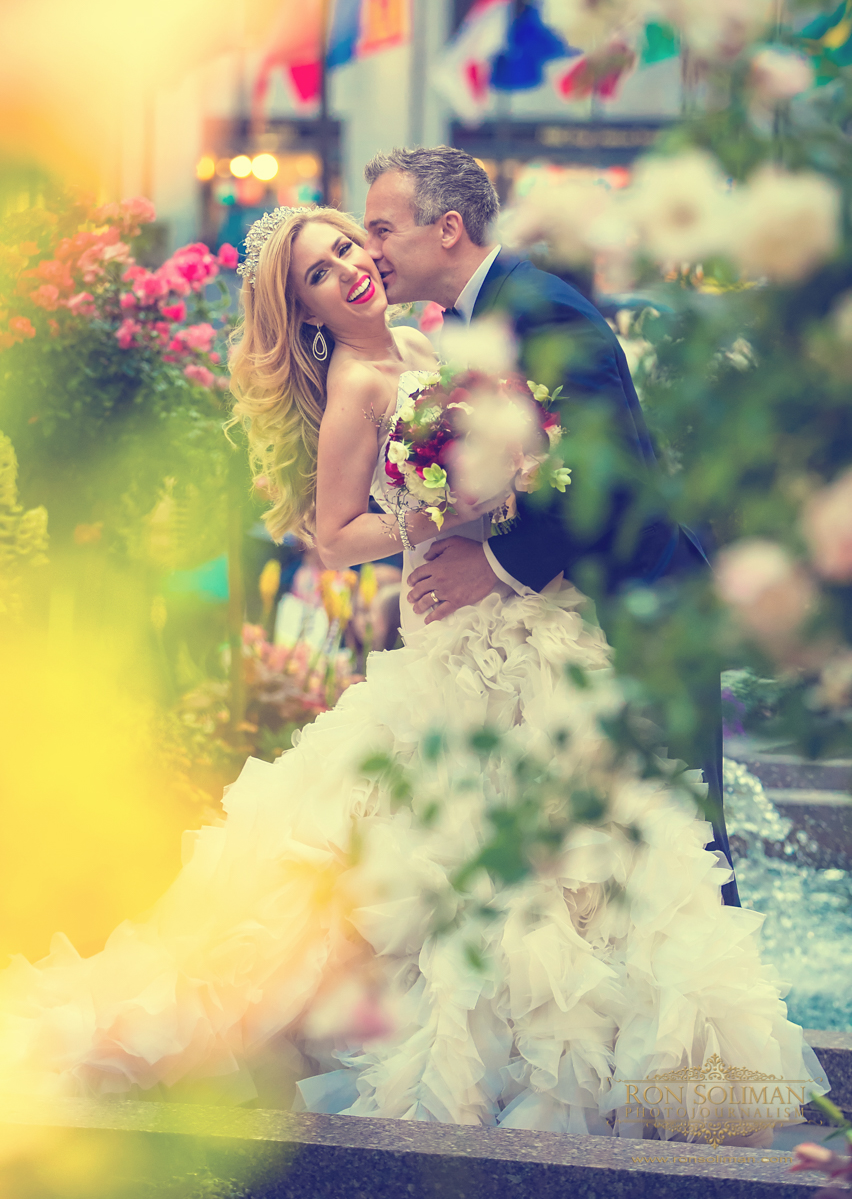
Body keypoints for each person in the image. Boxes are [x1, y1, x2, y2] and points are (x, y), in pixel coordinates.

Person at [0, 205, 827, 1137]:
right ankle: (454, 1051)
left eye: (349, 245)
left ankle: (593, 1043)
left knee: (583, 826)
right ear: (304, 312)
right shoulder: (356, 384)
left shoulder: (421, 339)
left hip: (532, 613)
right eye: (320, 273)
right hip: (460, 630)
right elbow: (332, 533)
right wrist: (440, 517)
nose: (350, 268)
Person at [363, 146, 739, 907]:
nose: (370, 250)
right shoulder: (478, 317)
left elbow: (604, 471)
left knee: (682, 843)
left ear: (447, 228)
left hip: (648, 607)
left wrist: (493, 566)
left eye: (380, 228)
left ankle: (719, 1025)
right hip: (582, 611)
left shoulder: (540, 310)